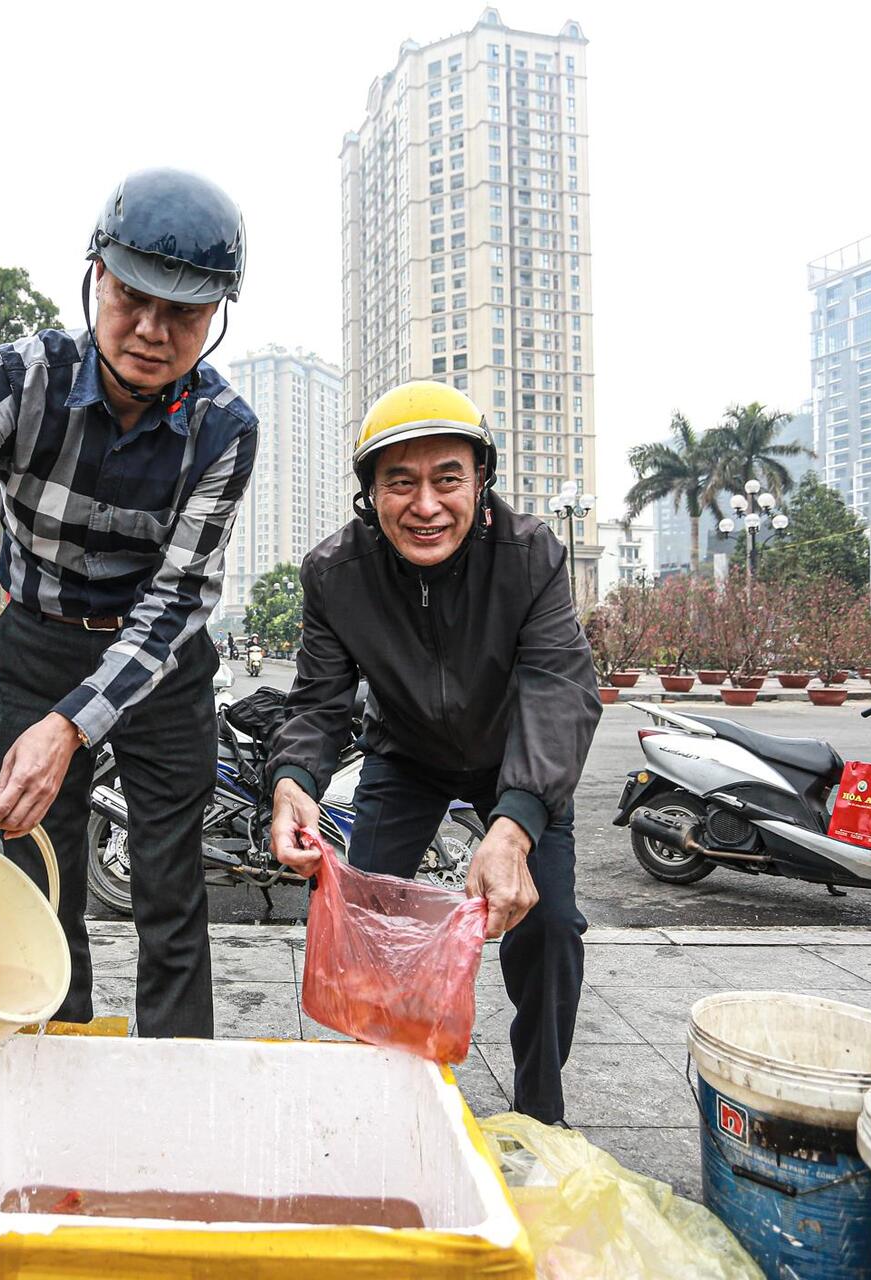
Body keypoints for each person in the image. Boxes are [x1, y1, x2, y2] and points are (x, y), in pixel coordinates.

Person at [0, 168, 256, 1039]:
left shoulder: (225, 429)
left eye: (185, 314)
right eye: (131, 297)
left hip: (162, 674)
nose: (150, 332)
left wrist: (70, 728)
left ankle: (174, 1083)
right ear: (95, 273)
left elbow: (174, 602)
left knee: (171, 890)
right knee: (36, 876)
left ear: (216, 318)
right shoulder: (17, 383)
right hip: (39, 641)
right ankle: (53, 1062)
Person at [266, 381, 601, 1123]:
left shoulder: (531, 553)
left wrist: (514, 825)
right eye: (400, 483)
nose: (426, 506)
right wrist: (292, 783)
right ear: (370, 496)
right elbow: (320, 700)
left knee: (549, 926)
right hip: (405, 757)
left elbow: (560, 688)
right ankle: (381, 1093)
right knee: (366, 921)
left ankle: (541, 1111)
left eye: (447, 478)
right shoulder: (334, 574)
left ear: (480, 482)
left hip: (517, 763)